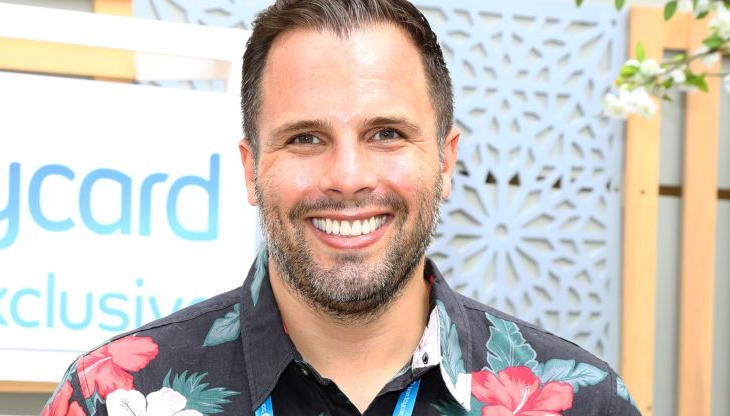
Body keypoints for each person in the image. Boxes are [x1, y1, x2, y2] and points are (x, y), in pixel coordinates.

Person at [42, 1, 641, 415]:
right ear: (251, 169)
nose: (348, 178)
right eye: (306, 137)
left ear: (445, 160)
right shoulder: (111, 397)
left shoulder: (583, 404)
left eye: (386, 134)